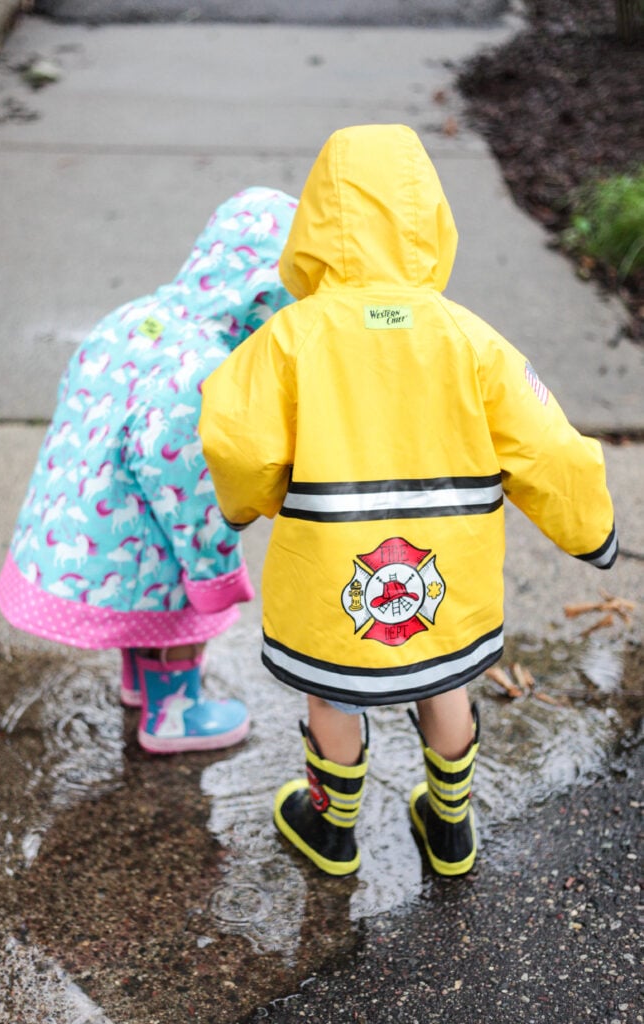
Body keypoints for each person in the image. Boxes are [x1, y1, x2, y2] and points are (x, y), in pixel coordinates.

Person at [198, 125, 618, 877]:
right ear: (428, 218)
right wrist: (590, 532)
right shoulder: (470, 340)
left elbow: (234, 439)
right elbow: (548, 447)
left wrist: (249, 503)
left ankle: (331, 827)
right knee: (448, 678)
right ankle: (449, 825)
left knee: (334, 693)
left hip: (332, 576)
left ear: (318, 223)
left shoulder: (289, 340)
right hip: (443, 580)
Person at [0, 187, 298, 755]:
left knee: (142, 593)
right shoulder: (208, 369)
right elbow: (191, 490)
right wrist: (213, 570)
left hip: (83, 526)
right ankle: (174, 714)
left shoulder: (134, 318)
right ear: (266, 297)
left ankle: (140, 677)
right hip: (143, 541)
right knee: (179, 608)